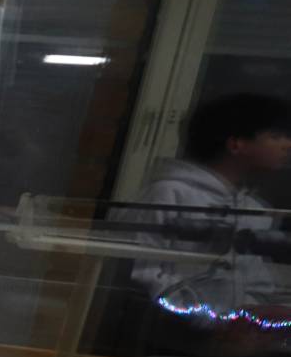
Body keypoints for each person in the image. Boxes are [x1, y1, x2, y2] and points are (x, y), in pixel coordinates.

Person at [125, 93, 291, 315]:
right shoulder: (169, 193)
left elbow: (255, 282)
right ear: (236, 144)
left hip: (229, 335)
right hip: (166, 330)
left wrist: (256, 313)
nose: (287, 145)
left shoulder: (253, 208)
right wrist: (207, 319)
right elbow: (142, 273)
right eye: (276, 136)